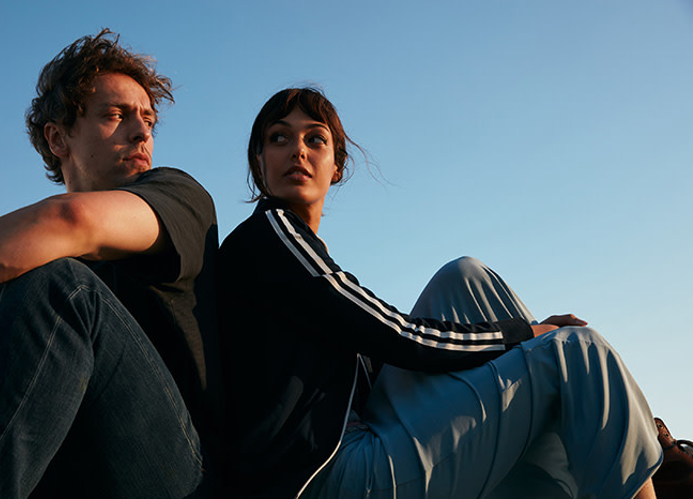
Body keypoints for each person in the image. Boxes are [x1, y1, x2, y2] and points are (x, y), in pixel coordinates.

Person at [217, 87, 663, 498]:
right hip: (326, 478)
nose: (297, 150)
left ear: (337, 166)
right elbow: (399, 336)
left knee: (464, 277)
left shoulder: (293, 248)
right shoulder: (272, 233)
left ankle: (563, 452)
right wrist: (523, 334)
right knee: (578, 350)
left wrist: (520, 345)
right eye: (279, 138)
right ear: (259, 162)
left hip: (350, 447)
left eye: (315, 139)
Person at [0, 30, 220, 497]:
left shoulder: (179, 195)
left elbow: (70, 221)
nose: (142, 132)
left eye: (148, 119)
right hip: (64, 475)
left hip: (177, 476)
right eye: (116, 115)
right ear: (58, 138)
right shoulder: (21, 280)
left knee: (60, 283)